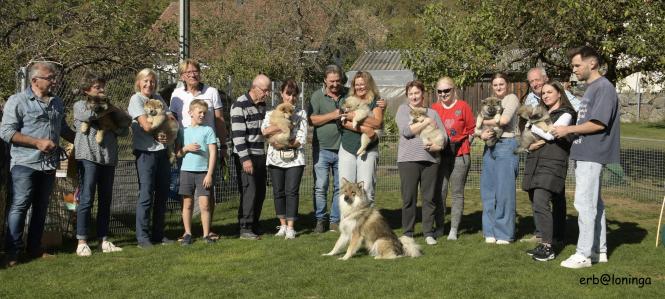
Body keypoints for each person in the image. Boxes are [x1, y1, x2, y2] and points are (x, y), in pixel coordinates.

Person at [1, 62, 75, 266]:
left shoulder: (57, 102)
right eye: (50, 78)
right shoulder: (18, 101)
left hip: (49, 165)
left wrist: (82, 140)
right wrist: (37, 143)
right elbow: (6, 132)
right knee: (19, 206)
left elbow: (64, 129)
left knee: (41, 207)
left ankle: (34, 248)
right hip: (25, 163)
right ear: (34, 80)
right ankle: (12, 252)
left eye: (54, 78)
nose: (54, 81)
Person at [553, 46, 620, 269]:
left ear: (592, 64)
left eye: (577, 65)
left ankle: (583, 254)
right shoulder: (592, 88)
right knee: (595, 205)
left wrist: (568, 130)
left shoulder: (603, 87)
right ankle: (598, 250)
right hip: (585, 152)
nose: (574, 70)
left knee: (584, 203)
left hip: (593, 153)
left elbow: (599, 123)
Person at [169, 59, 226, 241]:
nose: (192, 74)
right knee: (186, 197)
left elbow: (219, 120)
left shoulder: (211, 92)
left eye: (195, 71)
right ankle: (187, 232)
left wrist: (222, 145)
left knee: (207, 196)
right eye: (188, 72)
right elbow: (172, 120)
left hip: (207, 150)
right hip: (185, 149)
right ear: (182, 76)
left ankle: (207, 231)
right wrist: (176, 146)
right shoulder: (177, 94)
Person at [72, 73, 127, 256]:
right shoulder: (79, 105)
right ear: (86, 90)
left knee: (105, 199)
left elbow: (124, 129)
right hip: (88, 156)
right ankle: (82, 241)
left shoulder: (112, 107)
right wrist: (110, 110)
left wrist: (114, 119)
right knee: (87, 198)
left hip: (108, 157)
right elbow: (90, 115)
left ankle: (103, 240)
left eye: (102, 87)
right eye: (97, 87)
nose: (102, 90)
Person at [522, 81, 577, 261]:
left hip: (553, 161)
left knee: (541, 200)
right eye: (543, 93)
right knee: (546, 199)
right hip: (536, 160)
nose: (545, 96)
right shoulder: (543, 113)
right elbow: (532, 136)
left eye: (549, 92)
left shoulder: (566, 113)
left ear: (559, 93)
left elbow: (552, 134)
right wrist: (530, 144)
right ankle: (555, 238)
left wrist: (532, 125)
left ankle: (547, 247)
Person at [396, 80, 447, 245]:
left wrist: (437, 145)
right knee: (409, 198)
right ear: (407, 96)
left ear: (422, 94)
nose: (414, 96)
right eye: (410, 93)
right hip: (408, 160)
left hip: (430, 160)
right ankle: (408, 233)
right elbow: (406, 131)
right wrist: (425, 122)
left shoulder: (433, 113)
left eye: (417, 93)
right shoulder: (403, 110)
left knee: (429, 198)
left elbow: (444, 136)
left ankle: (428, 233)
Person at [128, 68, 174, 248]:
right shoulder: (136, 99)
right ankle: (143, 237)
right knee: (146, 195)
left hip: (162, 152)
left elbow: (171, 119)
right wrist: (160, 131)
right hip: (145, 152)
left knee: (162, 194)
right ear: (139, 82)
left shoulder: (159, 98)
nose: (149, 84)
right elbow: (146, 126)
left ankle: (159, 234)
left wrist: (167, 132)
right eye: (145, 81)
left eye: (152, 81)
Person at [262, 79, 307, 239]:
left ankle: (291, 227)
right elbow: (265, 132)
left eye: (295, 95)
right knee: (278, 192)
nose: (291, 98)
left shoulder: (301, 114)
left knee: (291, 192)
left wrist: (284, 143)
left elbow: (301, 139)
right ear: (282, 94)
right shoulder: (270, 114)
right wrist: (286, 126)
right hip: (275, 159)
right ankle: (282, 225)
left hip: (295, 159)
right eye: (288, 94)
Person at [431, 77, 475, 241]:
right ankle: (440, 226)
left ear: (453, 90)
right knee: (440, 192)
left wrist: (465, 146)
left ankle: (454, 230)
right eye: (440, 91)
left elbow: (471, 130)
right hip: (440, 155)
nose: (443, 94)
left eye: (446, 90)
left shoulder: (463, 106)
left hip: (460, 156)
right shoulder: (434, 108)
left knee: (457, 193)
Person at [479, 72, 520, 245]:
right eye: (495, 85)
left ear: (507, 84)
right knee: (488, 190)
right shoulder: (490, 101)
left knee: (504, 191)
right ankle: (490, 230)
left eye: (501, 84)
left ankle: (504, 233)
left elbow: (503, 120)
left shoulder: (511, 98)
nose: (498, 87)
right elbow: (480, 124)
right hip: (489, 144)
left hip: (506, 144)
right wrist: (481, 132)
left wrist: (482, 122)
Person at [307, 65, 346, 233]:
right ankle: (320, 219)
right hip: (321, 148)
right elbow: (312, 119)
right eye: (332, 81)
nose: (335, 84)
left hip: (343, 149)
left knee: (339, 187)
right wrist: (333, 115)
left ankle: (335, 220)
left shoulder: (348, 94)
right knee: (320, 186)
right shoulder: (317, 96)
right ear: (325, 80)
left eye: (338, 81)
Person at [231, 74, 270, 240]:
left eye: (268, 90)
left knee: (261, 191)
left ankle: (254, 223)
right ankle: (245, 227)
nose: (267, 93)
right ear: (254, 87)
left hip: (260, 153)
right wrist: (245, 159)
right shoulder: (239, 105)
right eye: (264, 90)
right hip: (246, 155)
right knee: (250, 191)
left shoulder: (262, 105)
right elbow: (238, 136)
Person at [338, 71, 386, 204]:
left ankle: (366, 223)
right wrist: (365, 128)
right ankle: (347, 222)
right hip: (347, 147)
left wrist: (354, 117)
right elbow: (343, 122)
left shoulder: (376, 100)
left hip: (369, 149)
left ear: (369, 85)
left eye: (363, 84)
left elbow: (377, 123)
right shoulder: (347, 99)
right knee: (345, 189)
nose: (360, 87)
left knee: (366, 189)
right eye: (357, 84)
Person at [176, 99, 217, 245]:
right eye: (199, 112)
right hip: (186, 171)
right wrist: (186, 148)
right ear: (190, 113)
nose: (202, 115)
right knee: (187, 203)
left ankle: (206, 234)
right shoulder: (183, 131)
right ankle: (187, 233)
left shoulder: (208, 130)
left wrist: (209, 174)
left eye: (204, 113)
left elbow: (213, 153)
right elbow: (177, 153)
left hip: (203, 172)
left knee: (205, 204)